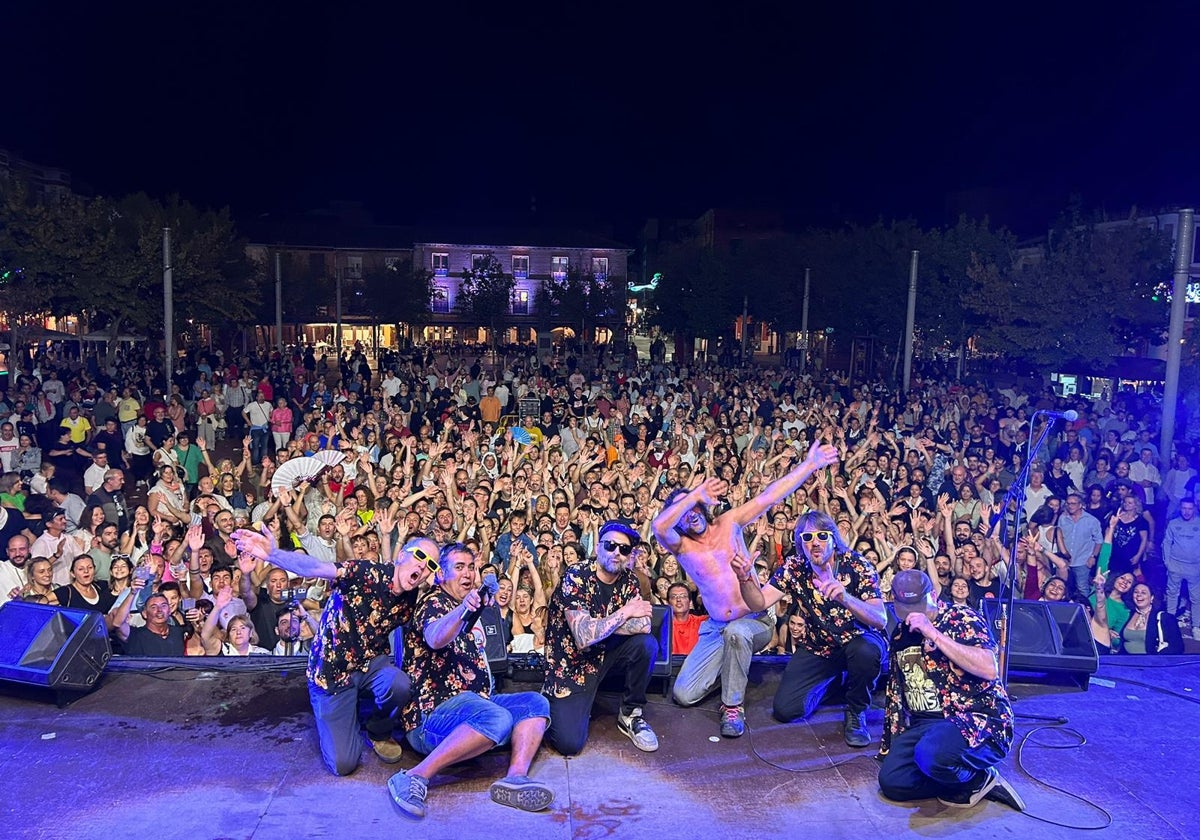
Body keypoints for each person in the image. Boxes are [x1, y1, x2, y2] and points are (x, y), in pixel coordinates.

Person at [652, 440, 839, 737]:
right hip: (716, 628)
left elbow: (768, 497)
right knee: (684, 694)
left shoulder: (729, 522)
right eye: (683, 511)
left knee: (738, 633)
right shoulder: (681, 546)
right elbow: (659, 527)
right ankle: (733, 669)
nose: (692, 514)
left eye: (695, 506)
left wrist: (810, 464)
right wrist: (693, 494)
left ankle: (732, 706)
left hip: (754, 619)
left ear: (704, 506)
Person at [233, 522, 439, 776]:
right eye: (419, 556)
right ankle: (340, 712)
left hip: (370, 663)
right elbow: (318, 568)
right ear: (401, 556)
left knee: (399, 684)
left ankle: (378, 730)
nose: (422, 565)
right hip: (332, 670)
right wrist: (273, 555)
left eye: (430, 564)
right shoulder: (366, 572)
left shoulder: (410, 599)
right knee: (343, 764)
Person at [388, 543, 554, 819]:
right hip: (432, 717)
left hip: (475, 702)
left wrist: (470, 607)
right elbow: (435, 637)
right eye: (459, 567)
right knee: (497, 719)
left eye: (471, 567)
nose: (467, 573)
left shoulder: (470, 604)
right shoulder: (433, 601)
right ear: (441, 574)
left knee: (534, 703)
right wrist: (463, 610)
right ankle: (414, 776)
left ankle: (515, 778)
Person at [877, 569, 1024, 811]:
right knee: (893, 781)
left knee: (931, 755)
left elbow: (989, 668)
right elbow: (897, 691)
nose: (912, 612)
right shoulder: (900, 633)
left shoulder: (962, 617)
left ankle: (980, 777)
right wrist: (893, 737)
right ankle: (962, 779)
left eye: (918, 604)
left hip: (974, 717)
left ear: (933, 595)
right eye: (904, 605)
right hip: (926, 723)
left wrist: (933, 632)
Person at [740, 509, 886, 747]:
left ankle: (856, 710)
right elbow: (759, 602)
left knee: (865, 652)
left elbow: (880, 619)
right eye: (807, 538)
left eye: (821, 536)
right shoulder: (794, 567)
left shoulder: (857, 565)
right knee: (786, 710)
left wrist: (845, 597)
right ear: (800, 543)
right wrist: (745, 579)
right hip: (820, 646)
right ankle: (835, 681)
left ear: (833, 538)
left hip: (860, 639)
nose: (814, 542)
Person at [541, 520, 659, 756]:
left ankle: (631, 713)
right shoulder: (576, 576)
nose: (617, 552)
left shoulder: (630, 580)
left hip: (606, 654)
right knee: (569, 744)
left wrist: (600, 627)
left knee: (647, 646)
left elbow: (644, 625)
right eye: (610, 546)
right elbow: (583, 636)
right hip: (571, 665)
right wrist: (624, 614)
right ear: (597, 548)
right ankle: (549, 699)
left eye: (624, 549)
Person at [1162, 498, 1200, 621]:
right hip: (1175, 565)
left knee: (1196, 598)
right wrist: (1167, 563)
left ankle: (1196, 626)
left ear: (1194, 508)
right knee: (1172, 594)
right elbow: (1166, 543)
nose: (1186, 512)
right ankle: (1169, 624)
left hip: (1194, 567)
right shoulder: (1173, 523)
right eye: (1184, 508)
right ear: (1180, 508)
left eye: (1189, 508)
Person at [666, 583, 707, 655]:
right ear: (668, 603)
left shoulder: (702, 622)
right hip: (671, 664)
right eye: (674, 596)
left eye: (683, 596)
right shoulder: (663, 625)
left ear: (690, 602)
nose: (678, 599)